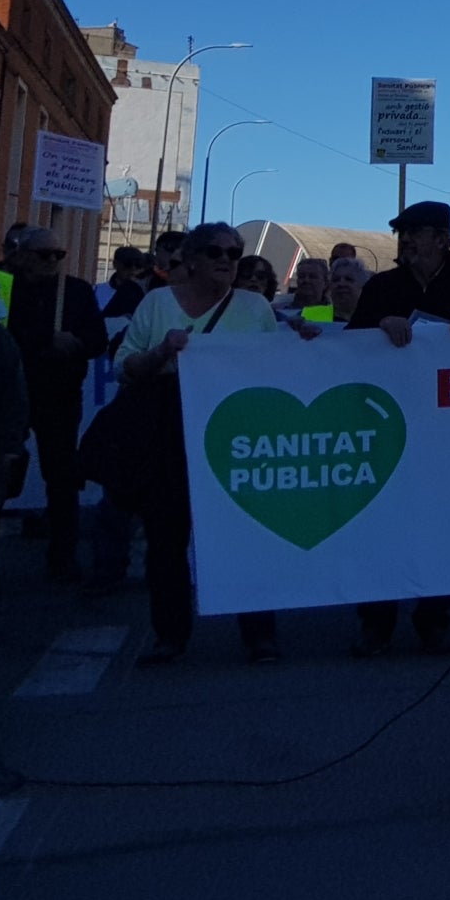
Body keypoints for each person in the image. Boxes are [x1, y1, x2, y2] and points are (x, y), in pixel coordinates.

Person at [112, 223, 293, 664]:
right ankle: (170, 634)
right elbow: (123, 365)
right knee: (167, 538)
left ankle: (258, 633)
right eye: (215, 251)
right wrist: (162, 355)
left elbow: (273, 369)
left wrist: (302, 342)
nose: (226, 260)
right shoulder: (157, 304)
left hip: (236, 432)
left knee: (246, 534)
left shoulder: (254, 308)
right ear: (190, 259)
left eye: (234, 254)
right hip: (167, 431)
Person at [348, 201, 450, 656]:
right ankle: (376, 621)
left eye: (416, 231)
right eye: (403, 232)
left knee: (441, 522)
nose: (407, 240)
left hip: (446, 429)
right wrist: (379, 326)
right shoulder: (382, 286)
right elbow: (349, 345)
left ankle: (434, 616)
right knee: (381, 523)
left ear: (443, 238)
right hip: (385, 422)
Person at [0, 225, 107, 581]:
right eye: (43, 255)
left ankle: (63, 555)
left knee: (61, 475)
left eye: (57, 255)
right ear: (22, 255)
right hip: (5, 392)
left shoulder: (74, 291)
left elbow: (98, 339)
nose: (51, 262)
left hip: (58, 393)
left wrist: (74, 343)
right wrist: (46, 337)